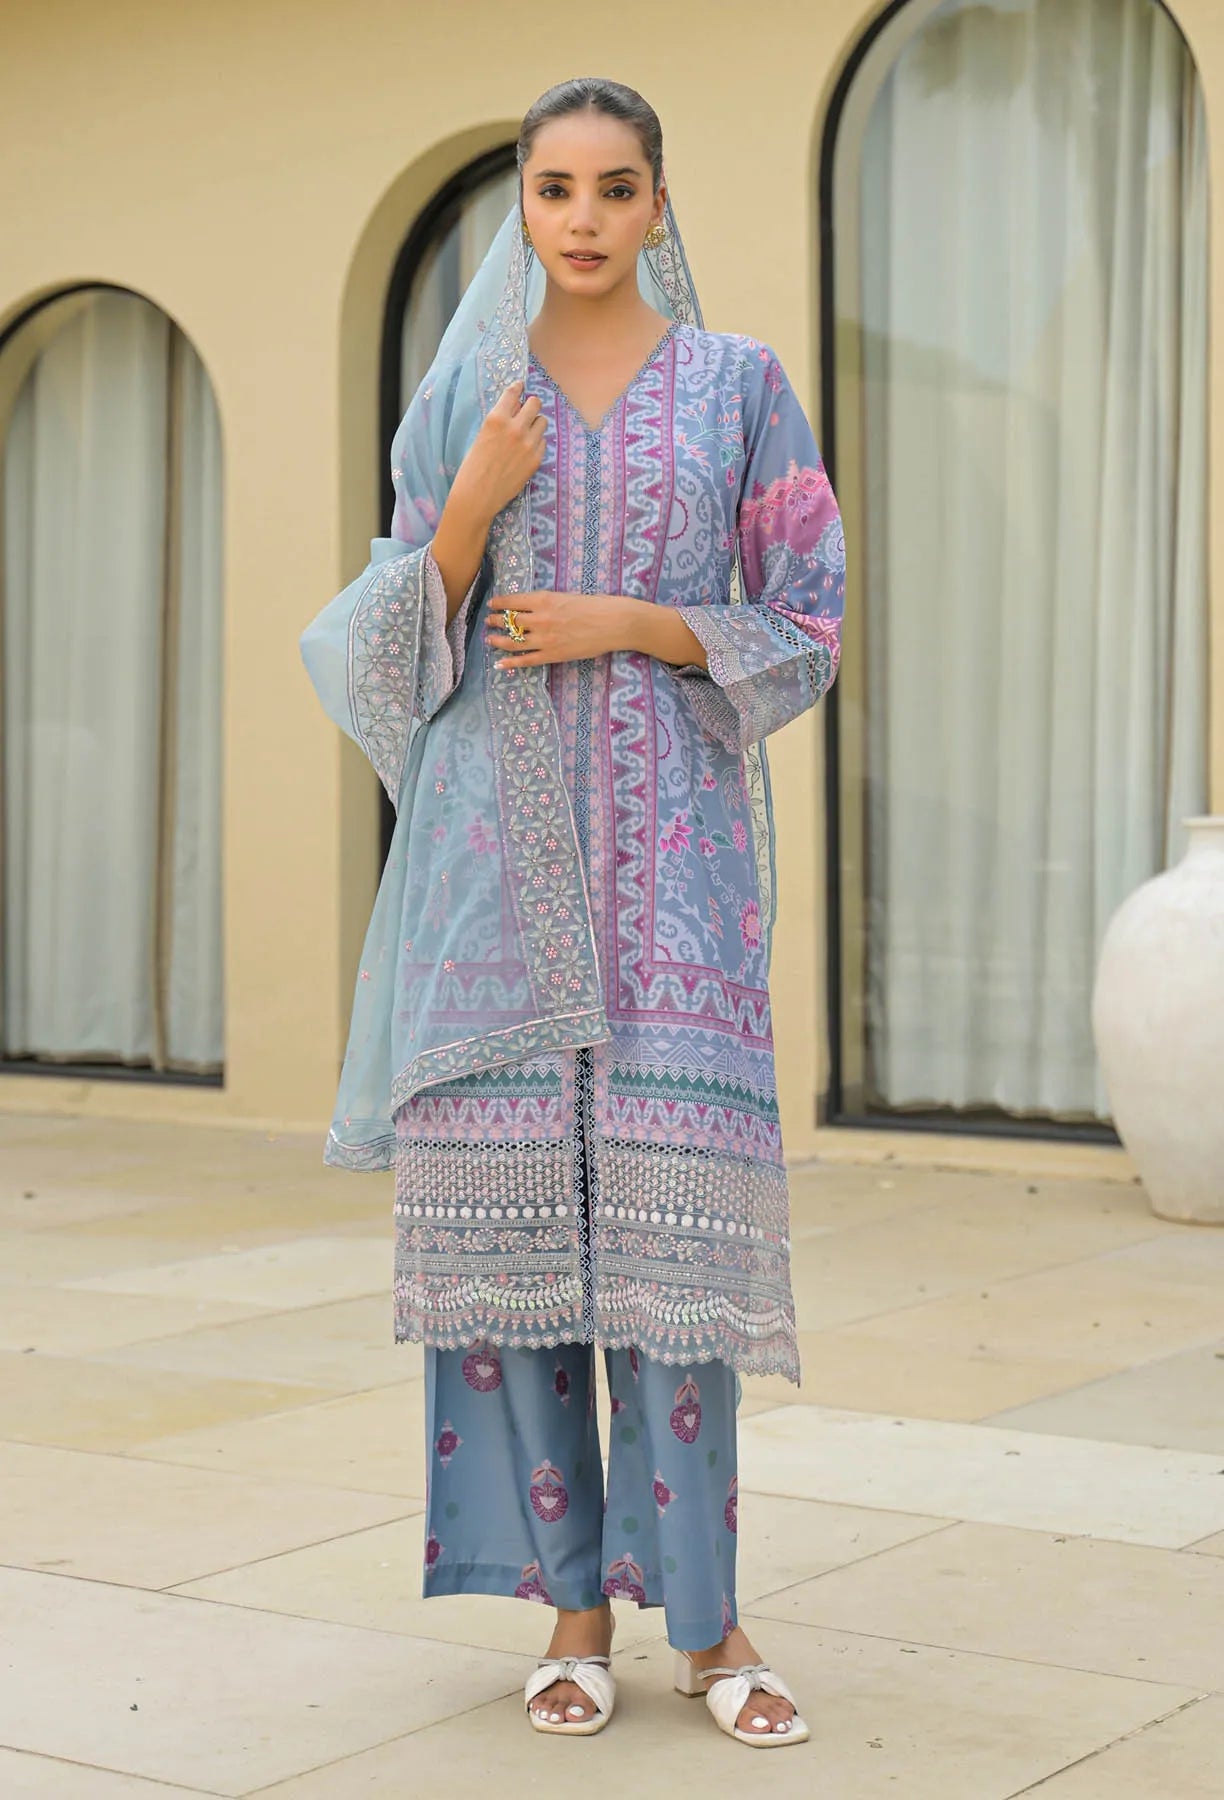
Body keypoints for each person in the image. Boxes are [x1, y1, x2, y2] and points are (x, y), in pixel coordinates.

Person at [300, 75, 844, 1749]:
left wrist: (642, 621)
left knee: (676, 1273)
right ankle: (570, 1605)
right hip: (492, 889)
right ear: (521, 209)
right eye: (556, 188)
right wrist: (468, 503)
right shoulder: (468, 384)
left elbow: (808, 623)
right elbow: (381, 655)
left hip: (677, 884)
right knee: (520, 1282)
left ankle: (712, 1618)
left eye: (618, 186)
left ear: (661, 203)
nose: (588, 216)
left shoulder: (744, 392)